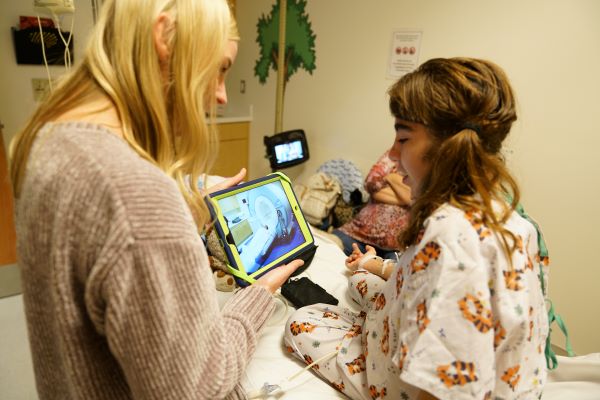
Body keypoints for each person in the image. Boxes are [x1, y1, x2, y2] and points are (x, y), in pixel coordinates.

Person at [9, 1, 302, 399]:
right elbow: (200, 389)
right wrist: (257, 295)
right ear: (163, 37)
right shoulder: (136, 197)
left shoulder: (48, 140)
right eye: (221, 69)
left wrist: (179, 207)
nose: (221, 96)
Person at [284, 58, 549, 399]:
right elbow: (434, 282)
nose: (393, 154)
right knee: (361, 281)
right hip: (473, 356)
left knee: (303, 320)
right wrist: (374, 265)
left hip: (402, 382)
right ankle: (370, 285)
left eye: (403, 137)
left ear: (448, 147)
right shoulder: (510, 218)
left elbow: (445, 386)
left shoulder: (449, 232)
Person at [332, 149, 411, 260]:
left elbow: (419, 197)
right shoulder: (393, 154)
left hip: (397, 248)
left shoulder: (433, 165)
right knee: (325, 249)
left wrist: (391, 177)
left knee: (393, 273)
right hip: (356, 234)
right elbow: (370, 184)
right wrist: (404, 196)